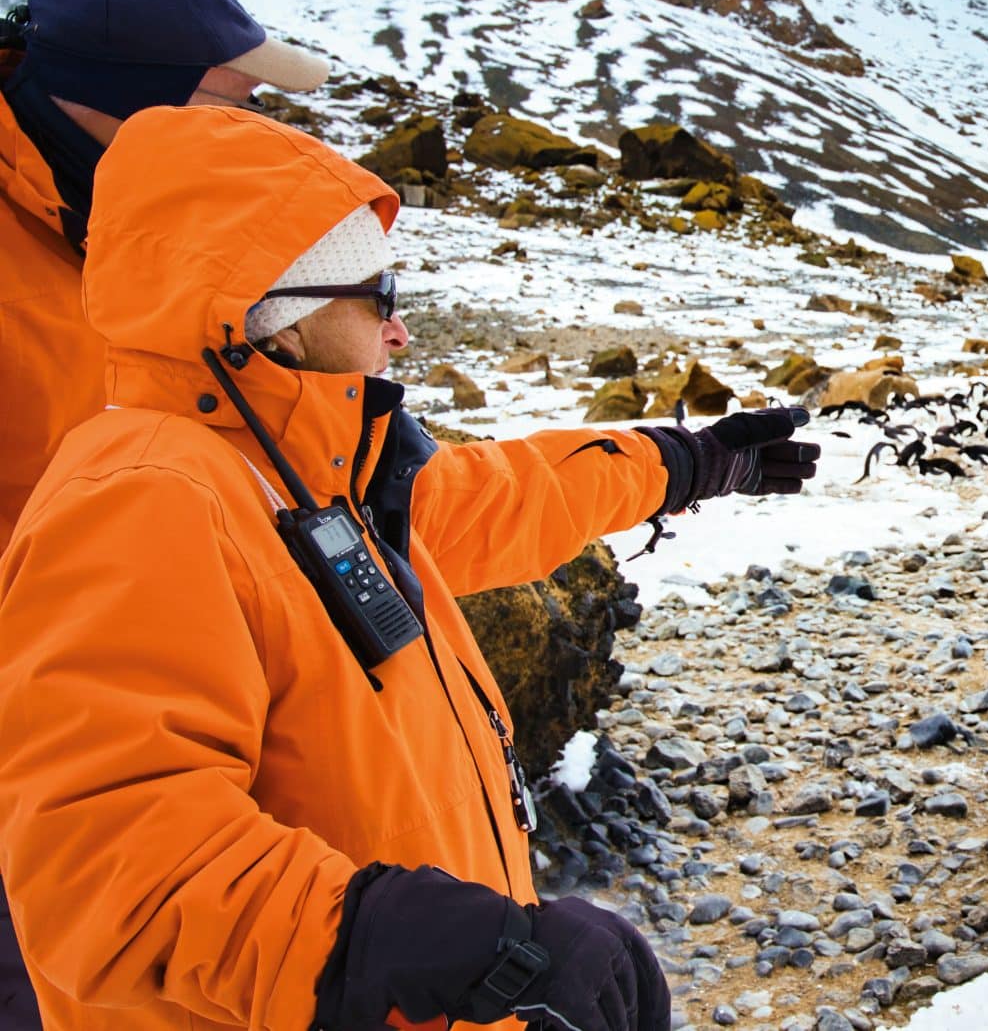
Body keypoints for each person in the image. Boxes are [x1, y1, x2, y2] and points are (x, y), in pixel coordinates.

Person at [0, 105, 820, 1029]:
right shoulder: (144, 498)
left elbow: (498, 497)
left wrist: (690, 463)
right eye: (380, 292)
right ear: (279, 319)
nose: (398, 331)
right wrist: (405, 938)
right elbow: (111, 869)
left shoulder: (302, 469)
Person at [0, 0, 332, 1030]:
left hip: (159, 689)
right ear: (133, 110)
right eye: (229, 102)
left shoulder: (137, 221)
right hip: (43, 736)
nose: (257, 130)